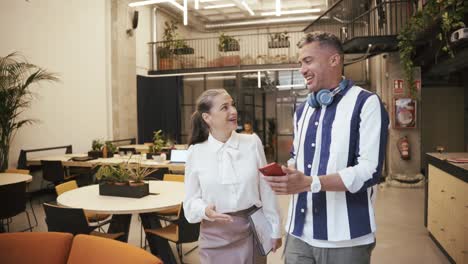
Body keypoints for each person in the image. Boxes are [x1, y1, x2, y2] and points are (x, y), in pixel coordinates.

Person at [263, 31, 389, 264]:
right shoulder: (303, 110)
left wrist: (311, 182)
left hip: (345, 238)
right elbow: (295, 157)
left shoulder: (366, 103)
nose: (302, 69)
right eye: (300, 63)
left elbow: (370, 171)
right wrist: (287, 173)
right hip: (298, 232)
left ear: (334, 60)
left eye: (308, 61)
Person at [183, 89, 282, 264]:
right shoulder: (195, 152)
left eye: (233, 105)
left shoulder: (252, 142)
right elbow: (190, 203)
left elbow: (266, 190)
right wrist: (205, 210)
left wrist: (275, 229)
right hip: (214, 236)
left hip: (251, 230)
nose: (233, 111)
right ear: (207, 118)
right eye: (224, 107)